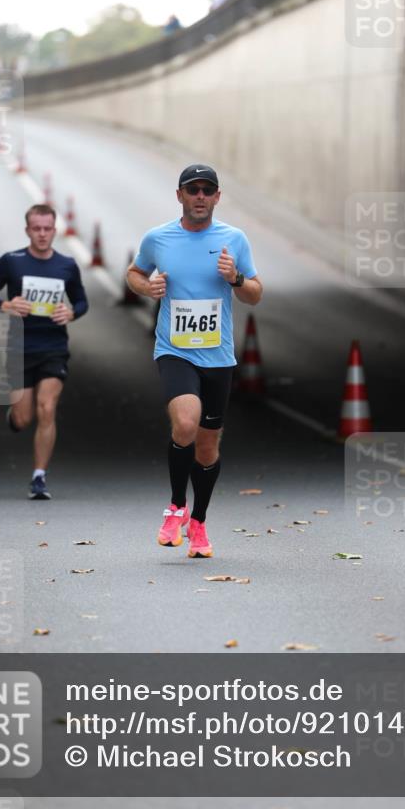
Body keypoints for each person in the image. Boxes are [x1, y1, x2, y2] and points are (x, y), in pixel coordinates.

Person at [127, 165, 262, 557]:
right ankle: (175, 506)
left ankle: (199, 522)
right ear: (180, 195)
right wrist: (146, 286)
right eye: (193, 190)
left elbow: (255, 293)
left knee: (207, 448)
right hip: (175, 350)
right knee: (185, 422)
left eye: (207, 190)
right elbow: (134, 273)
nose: (200, 196)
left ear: (217, 197)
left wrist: (236, 278)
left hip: (218, 357)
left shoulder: (234, 240)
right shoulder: (158, 238)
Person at [0, 204, 89, 499]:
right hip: (19, 348)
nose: (41, 234)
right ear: (27, 230)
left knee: (46, 408)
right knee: (24, 418)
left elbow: (81, 301)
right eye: (36, 228)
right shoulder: (12, 262)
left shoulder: (66, 265)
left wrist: (71, 313)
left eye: (47, 228)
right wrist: (6, 305)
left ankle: (39, 477)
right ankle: (13, 417)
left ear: (55, 230)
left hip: (53, 348)